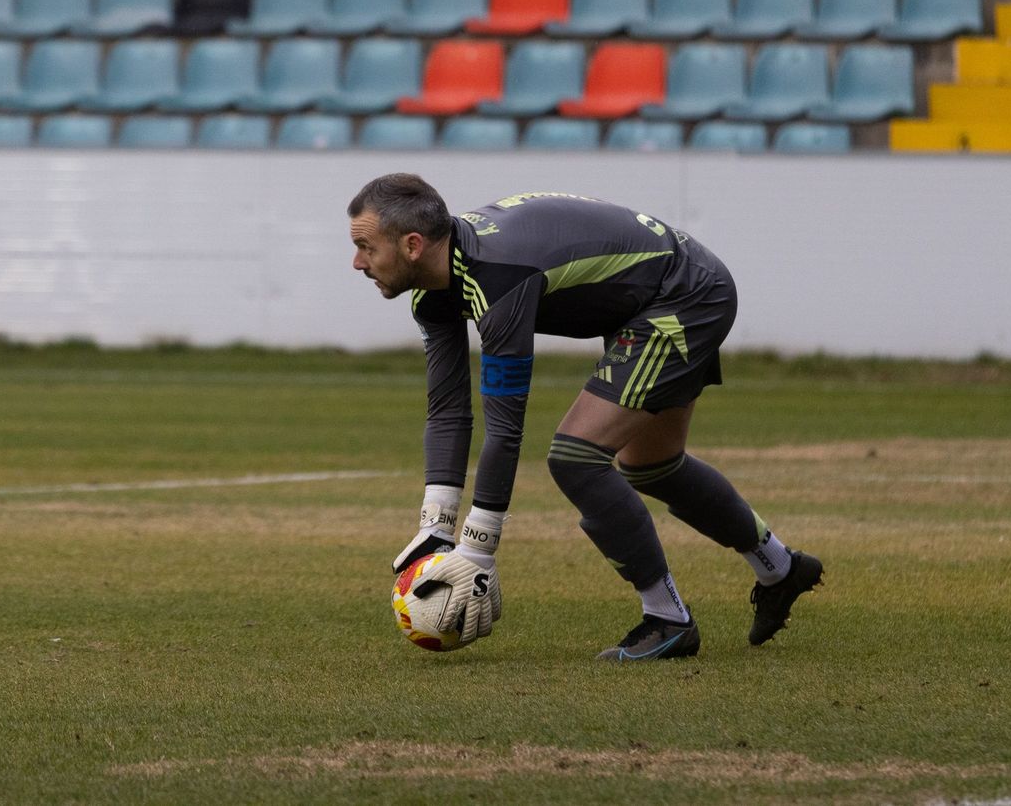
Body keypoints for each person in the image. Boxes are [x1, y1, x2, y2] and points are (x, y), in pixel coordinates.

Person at [348, 173, 822, 661]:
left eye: (366, 246)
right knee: (653, 465)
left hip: (685, 294)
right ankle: (781, 568)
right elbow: (449, 409)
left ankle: (668, 618)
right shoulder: (435, 289)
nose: (357, 262)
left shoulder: (499, 276)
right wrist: (437, 526)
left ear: (411, 244)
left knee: (576, 456)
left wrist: (477, 550)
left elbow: (506, 428)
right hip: (648, 300)